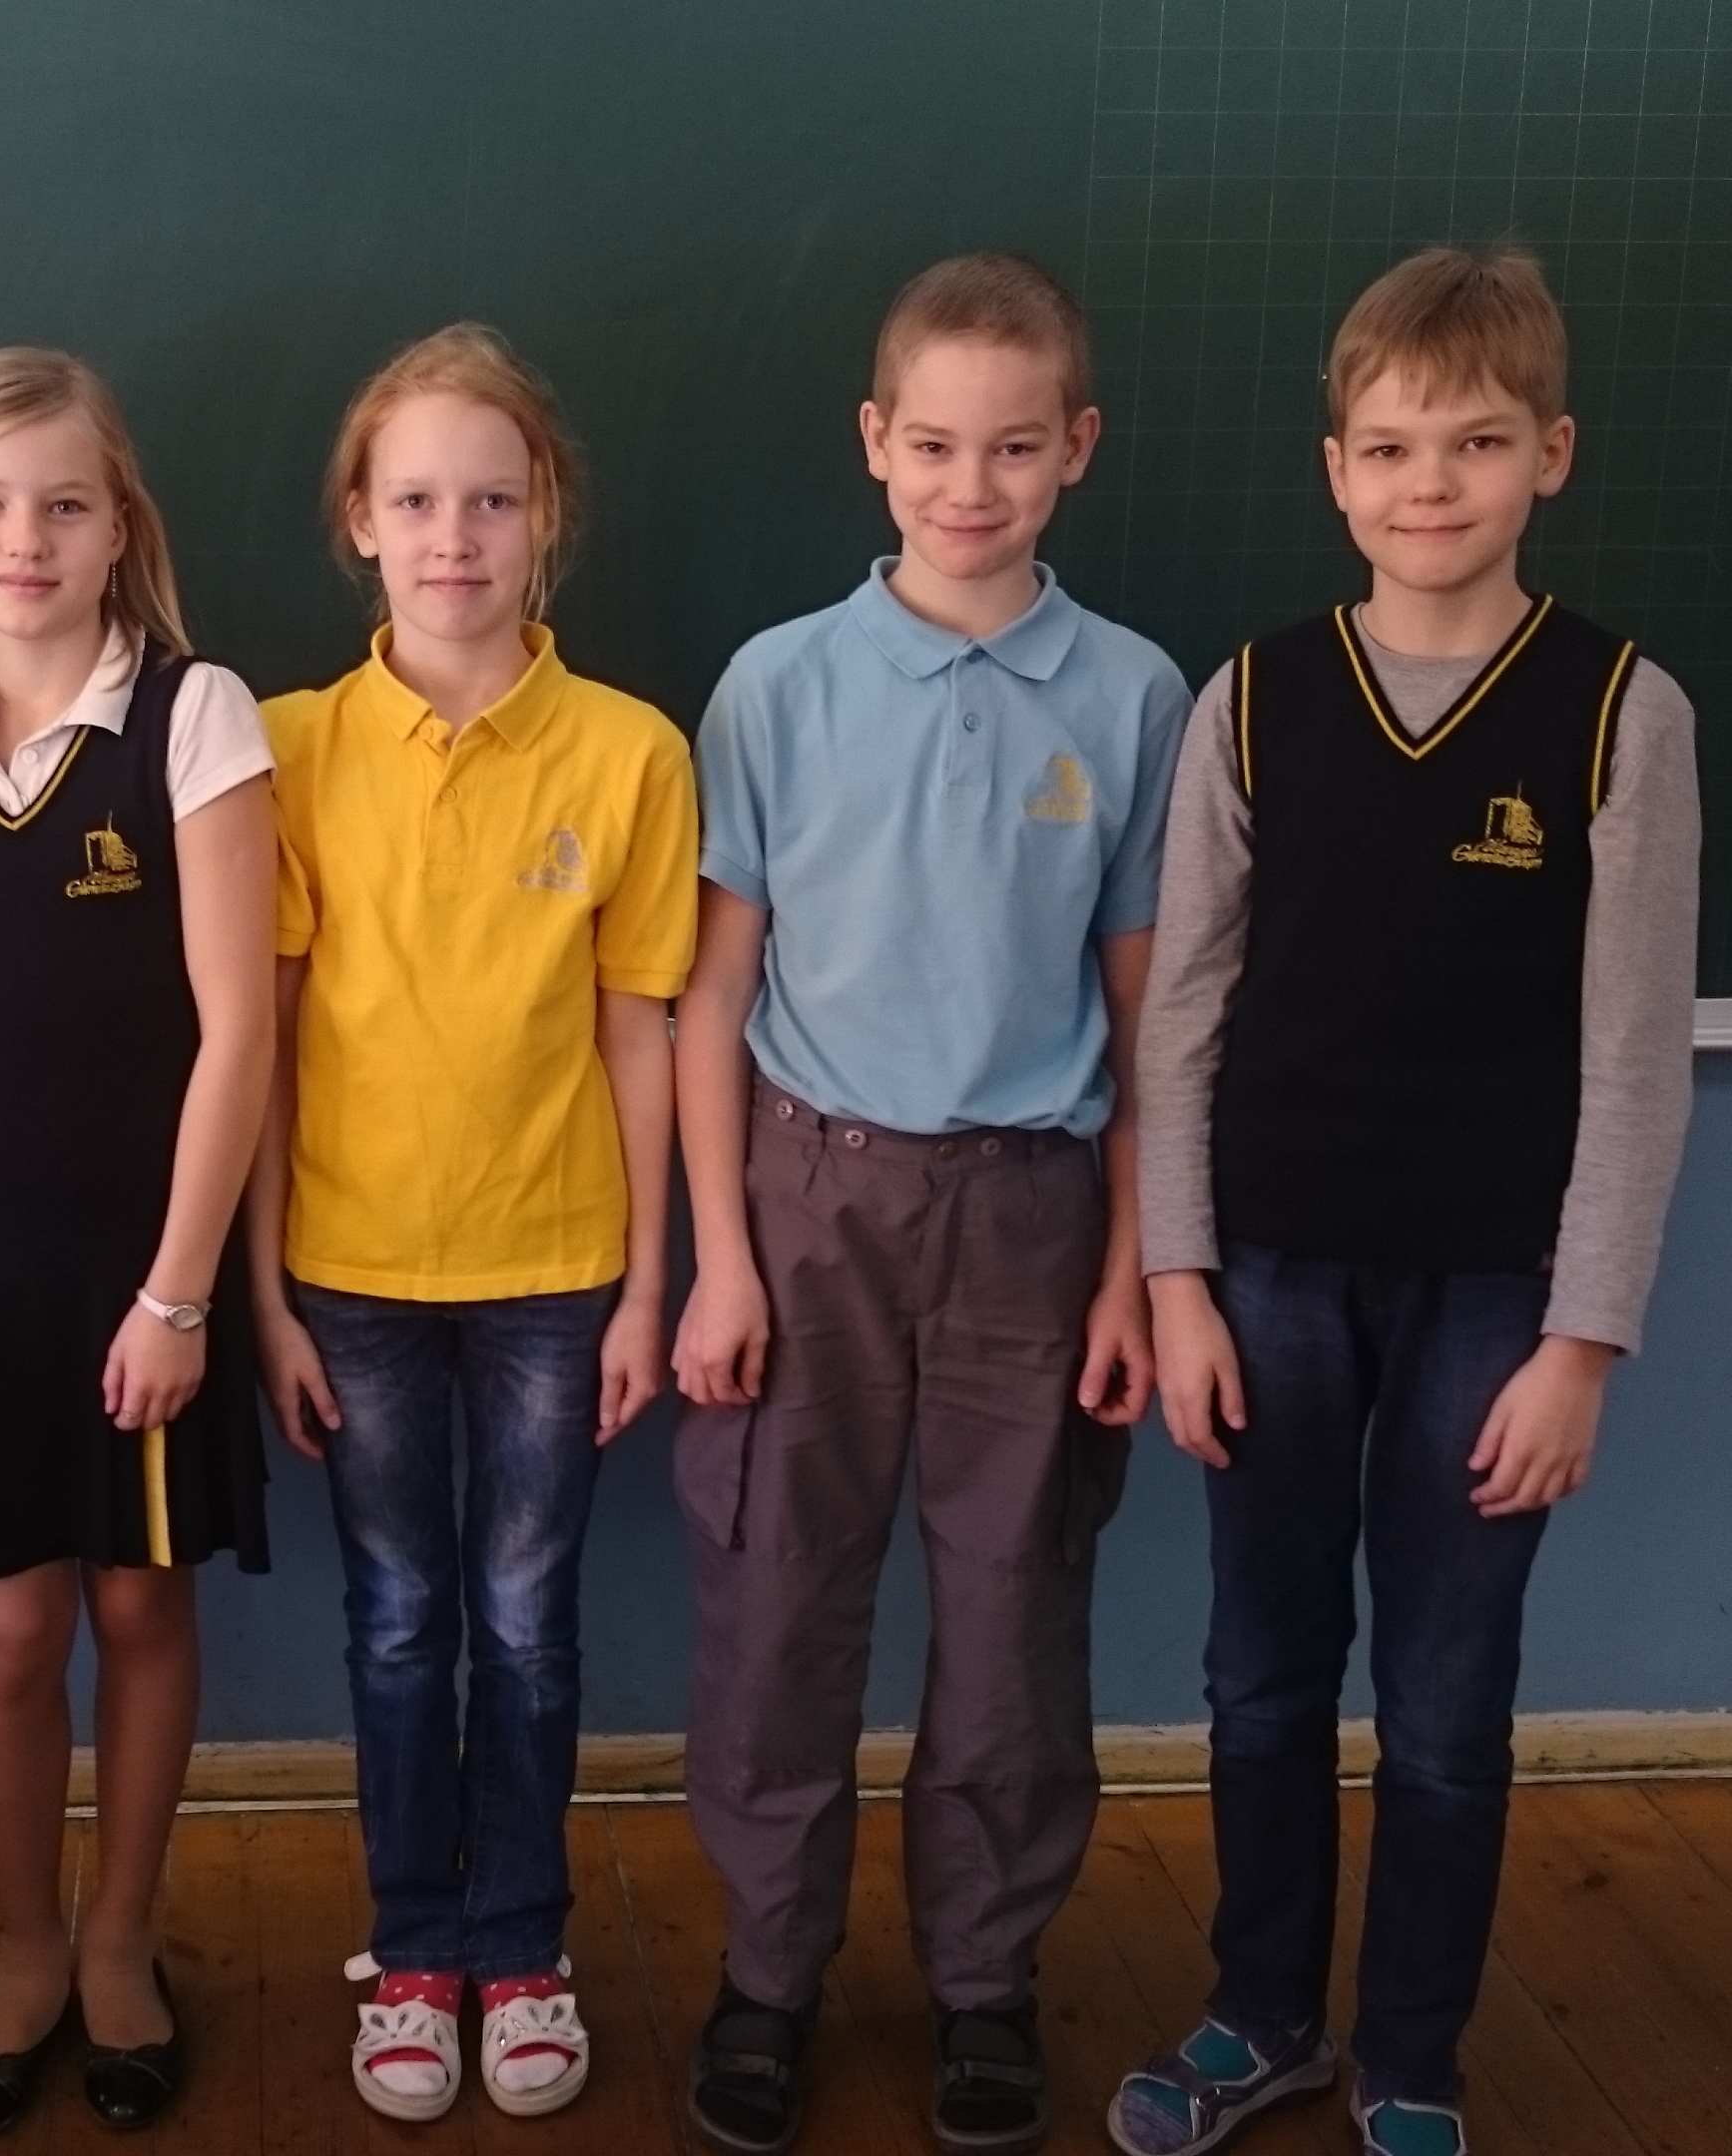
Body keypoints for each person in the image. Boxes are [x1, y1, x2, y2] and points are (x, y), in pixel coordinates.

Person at [1107, 246, 1698, 2156]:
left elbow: (1636, 1057)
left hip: (1495, 1300)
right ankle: (1262, 2015)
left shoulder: (1619, 712)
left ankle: (1413, 2061)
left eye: (1477, 442)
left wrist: (1583, 1344)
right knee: (1260, 1676)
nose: (1430, 482)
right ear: (1335, 472)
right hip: (1269, 1274)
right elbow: (1183, 1012)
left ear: (1553, 455)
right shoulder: (1255, 699)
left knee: (1446, 1706)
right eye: (1388, 447)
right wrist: (1177, 1281)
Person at [669, 251, 1185, 2156]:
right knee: (777, 1602)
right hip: (809, 1197)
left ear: (1080, 449)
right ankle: (767, 1974)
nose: (975, 485)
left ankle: (985, 1979)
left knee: (1014, 1616)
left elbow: (1147, 1022)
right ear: (876, 443)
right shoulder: (778, 685)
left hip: (1032, 1217)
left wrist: (1134, 1273)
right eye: (939, 445)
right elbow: (714, 994)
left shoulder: (1134, 696)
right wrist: (720, 1260)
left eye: (1017, 447)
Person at [247, 325, 697, 2123]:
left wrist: (649, 1285)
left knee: (524, 1620)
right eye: (418, 499)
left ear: (545, 516)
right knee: (395, 1620)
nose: (455, 536)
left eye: (492, 501)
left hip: (555, 1270)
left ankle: (522, 1946)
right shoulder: (283, 750)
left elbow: (643, 1030)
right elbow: (265, 1043)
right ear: (360, 519)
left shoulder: (629, 751)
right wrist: (258, 1293)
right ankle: (413, 1946)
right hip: (348, 1272)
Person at [0, 345, 277, 2140]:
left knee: (139, 1600)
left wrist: (180, 1293)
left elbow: (238, 1032)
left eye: (64, 504)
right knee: (10, 1624)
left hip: (145, 1266)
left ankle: (118, 1941)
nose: (24, 538)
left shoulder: (194, 713)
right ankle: (23, 1946)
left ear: (120, 529)